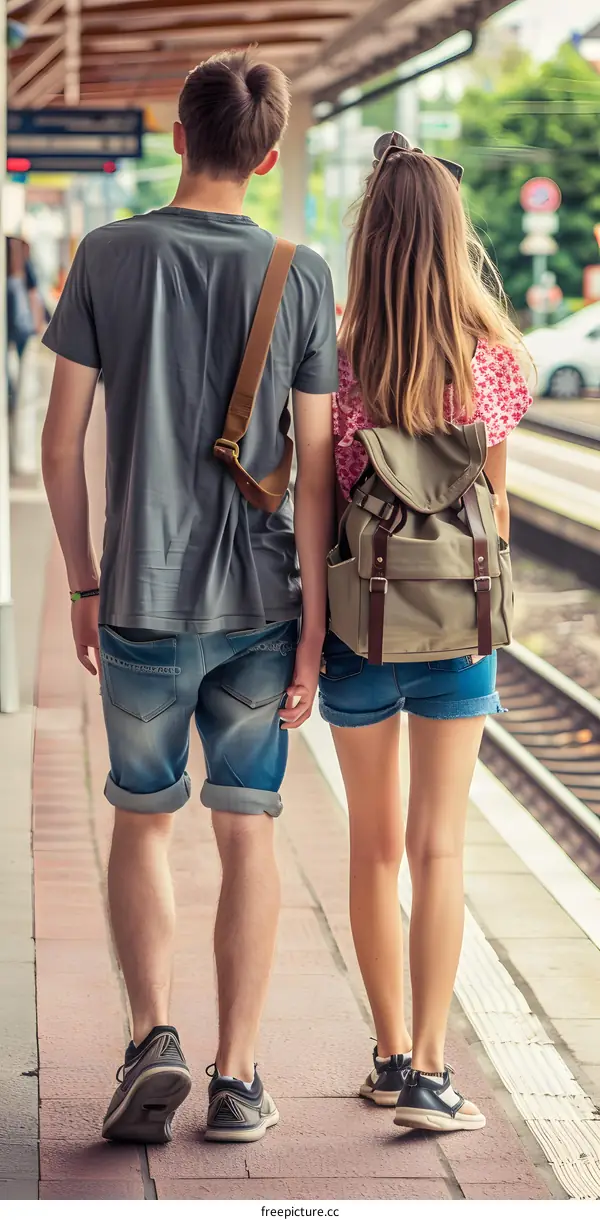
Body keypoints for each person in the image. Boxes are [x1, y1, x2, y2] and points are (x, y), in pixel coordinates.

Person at [41, 51, 337, 1144]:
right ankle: (241, 1076)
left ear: (176, 136)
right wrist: (311, 624)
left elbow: (59, 442)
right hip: (262, 602)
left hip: (141, 605)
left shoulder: (105, 256)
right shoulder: (301, 274)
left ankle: (151, 1035)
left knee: (142, 815)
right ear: (266, 156)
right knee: (250, 832)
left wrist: (82, 578)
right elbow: (314, 463)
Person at [319, 132, 531, 1133]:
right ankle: (437, 1073)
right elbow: (496, 505)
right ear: (452, 237)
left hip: (360, 627)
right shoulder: (493, 363)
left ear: (371, 235)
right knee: (440, 846)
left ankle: (390, 1055)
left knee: (373, 847)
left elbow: (317, 495)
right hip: (457, 628)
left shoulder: (338, 351)